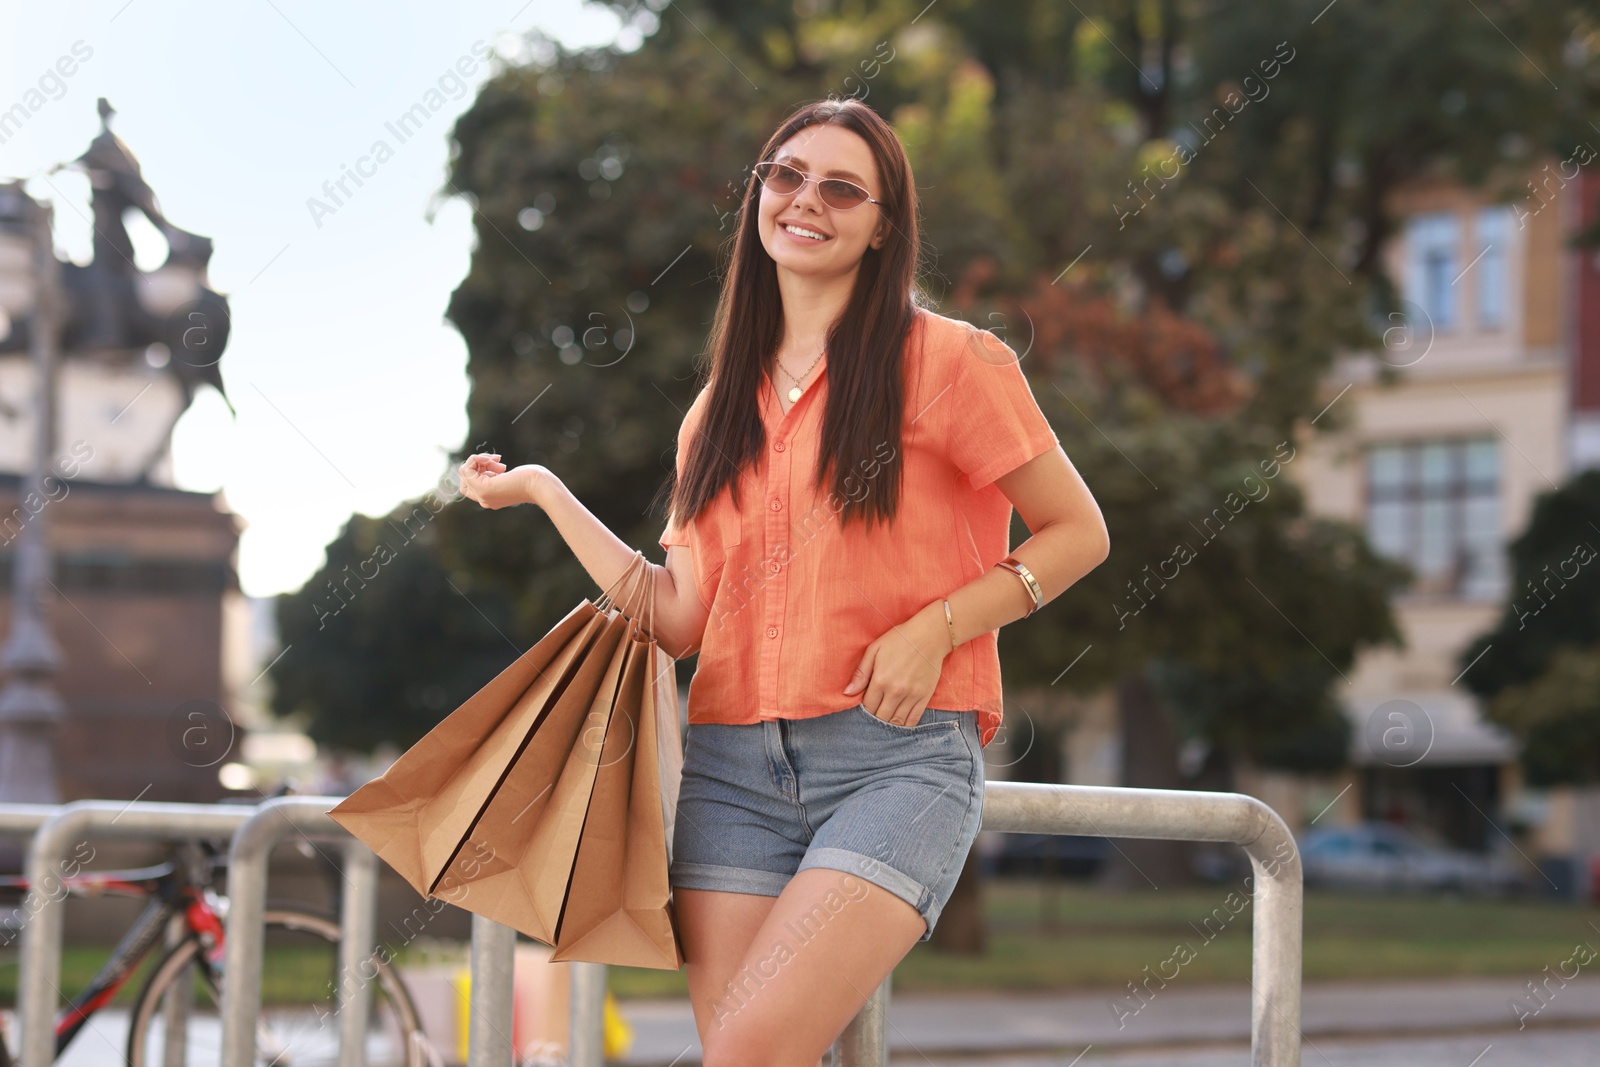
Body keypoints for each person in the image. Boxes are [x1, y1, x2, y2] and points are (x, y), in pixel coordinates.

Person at [458, 97, 1109, 1067]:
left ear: (882, 223)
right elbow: (677, 619)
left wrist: (942, 624)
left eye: (842, 187)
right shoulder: (717, 407)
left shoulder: (952, 359)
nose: (807, 200)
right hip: (730, 774)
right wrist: (548, 493)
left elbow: (1079, 531)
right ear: (759, 194)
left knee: (751, 1050)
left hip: (896, 759)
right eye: (787, 175)